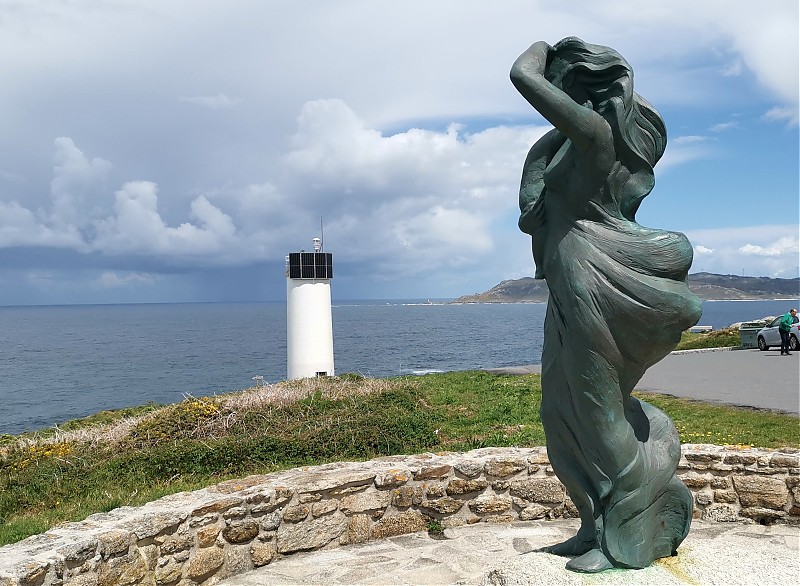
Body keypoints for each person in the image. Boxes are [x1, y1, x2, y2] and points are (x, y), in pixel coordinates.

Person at [510, 37, 702, 572]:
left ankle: (628, 531)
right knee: (558, 412)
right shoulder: (565, 144)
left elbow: (521, 75)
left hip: (589, 274)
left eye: (561, 77)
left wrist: (540, 48)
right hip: (565, 275)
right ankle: (593, 522)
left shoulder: (594, 135)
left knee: (597, 412)